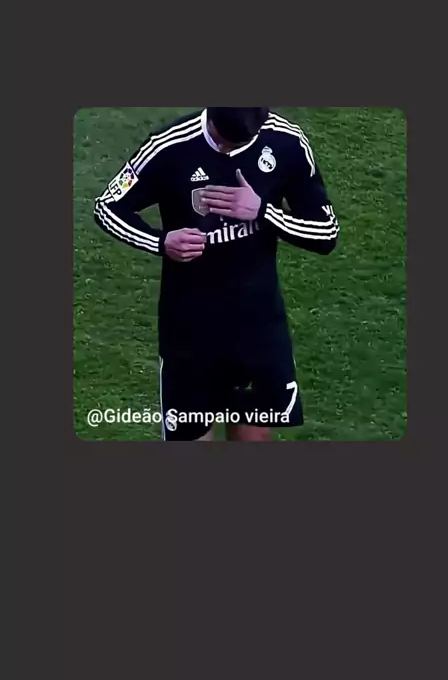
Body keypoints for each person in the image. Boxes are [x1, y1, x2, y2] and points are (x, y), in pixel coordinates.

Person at [94, 107, 339, 441]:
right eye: (220, 141)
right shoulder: (168, 146)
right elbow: (108, 207)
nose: (226, 151)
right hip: (190, 328)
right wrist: (161, 242)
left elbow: (326, 233)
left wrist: (264, 212)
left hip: (257, 325)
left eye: (238, 145)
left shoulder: (286, 141)